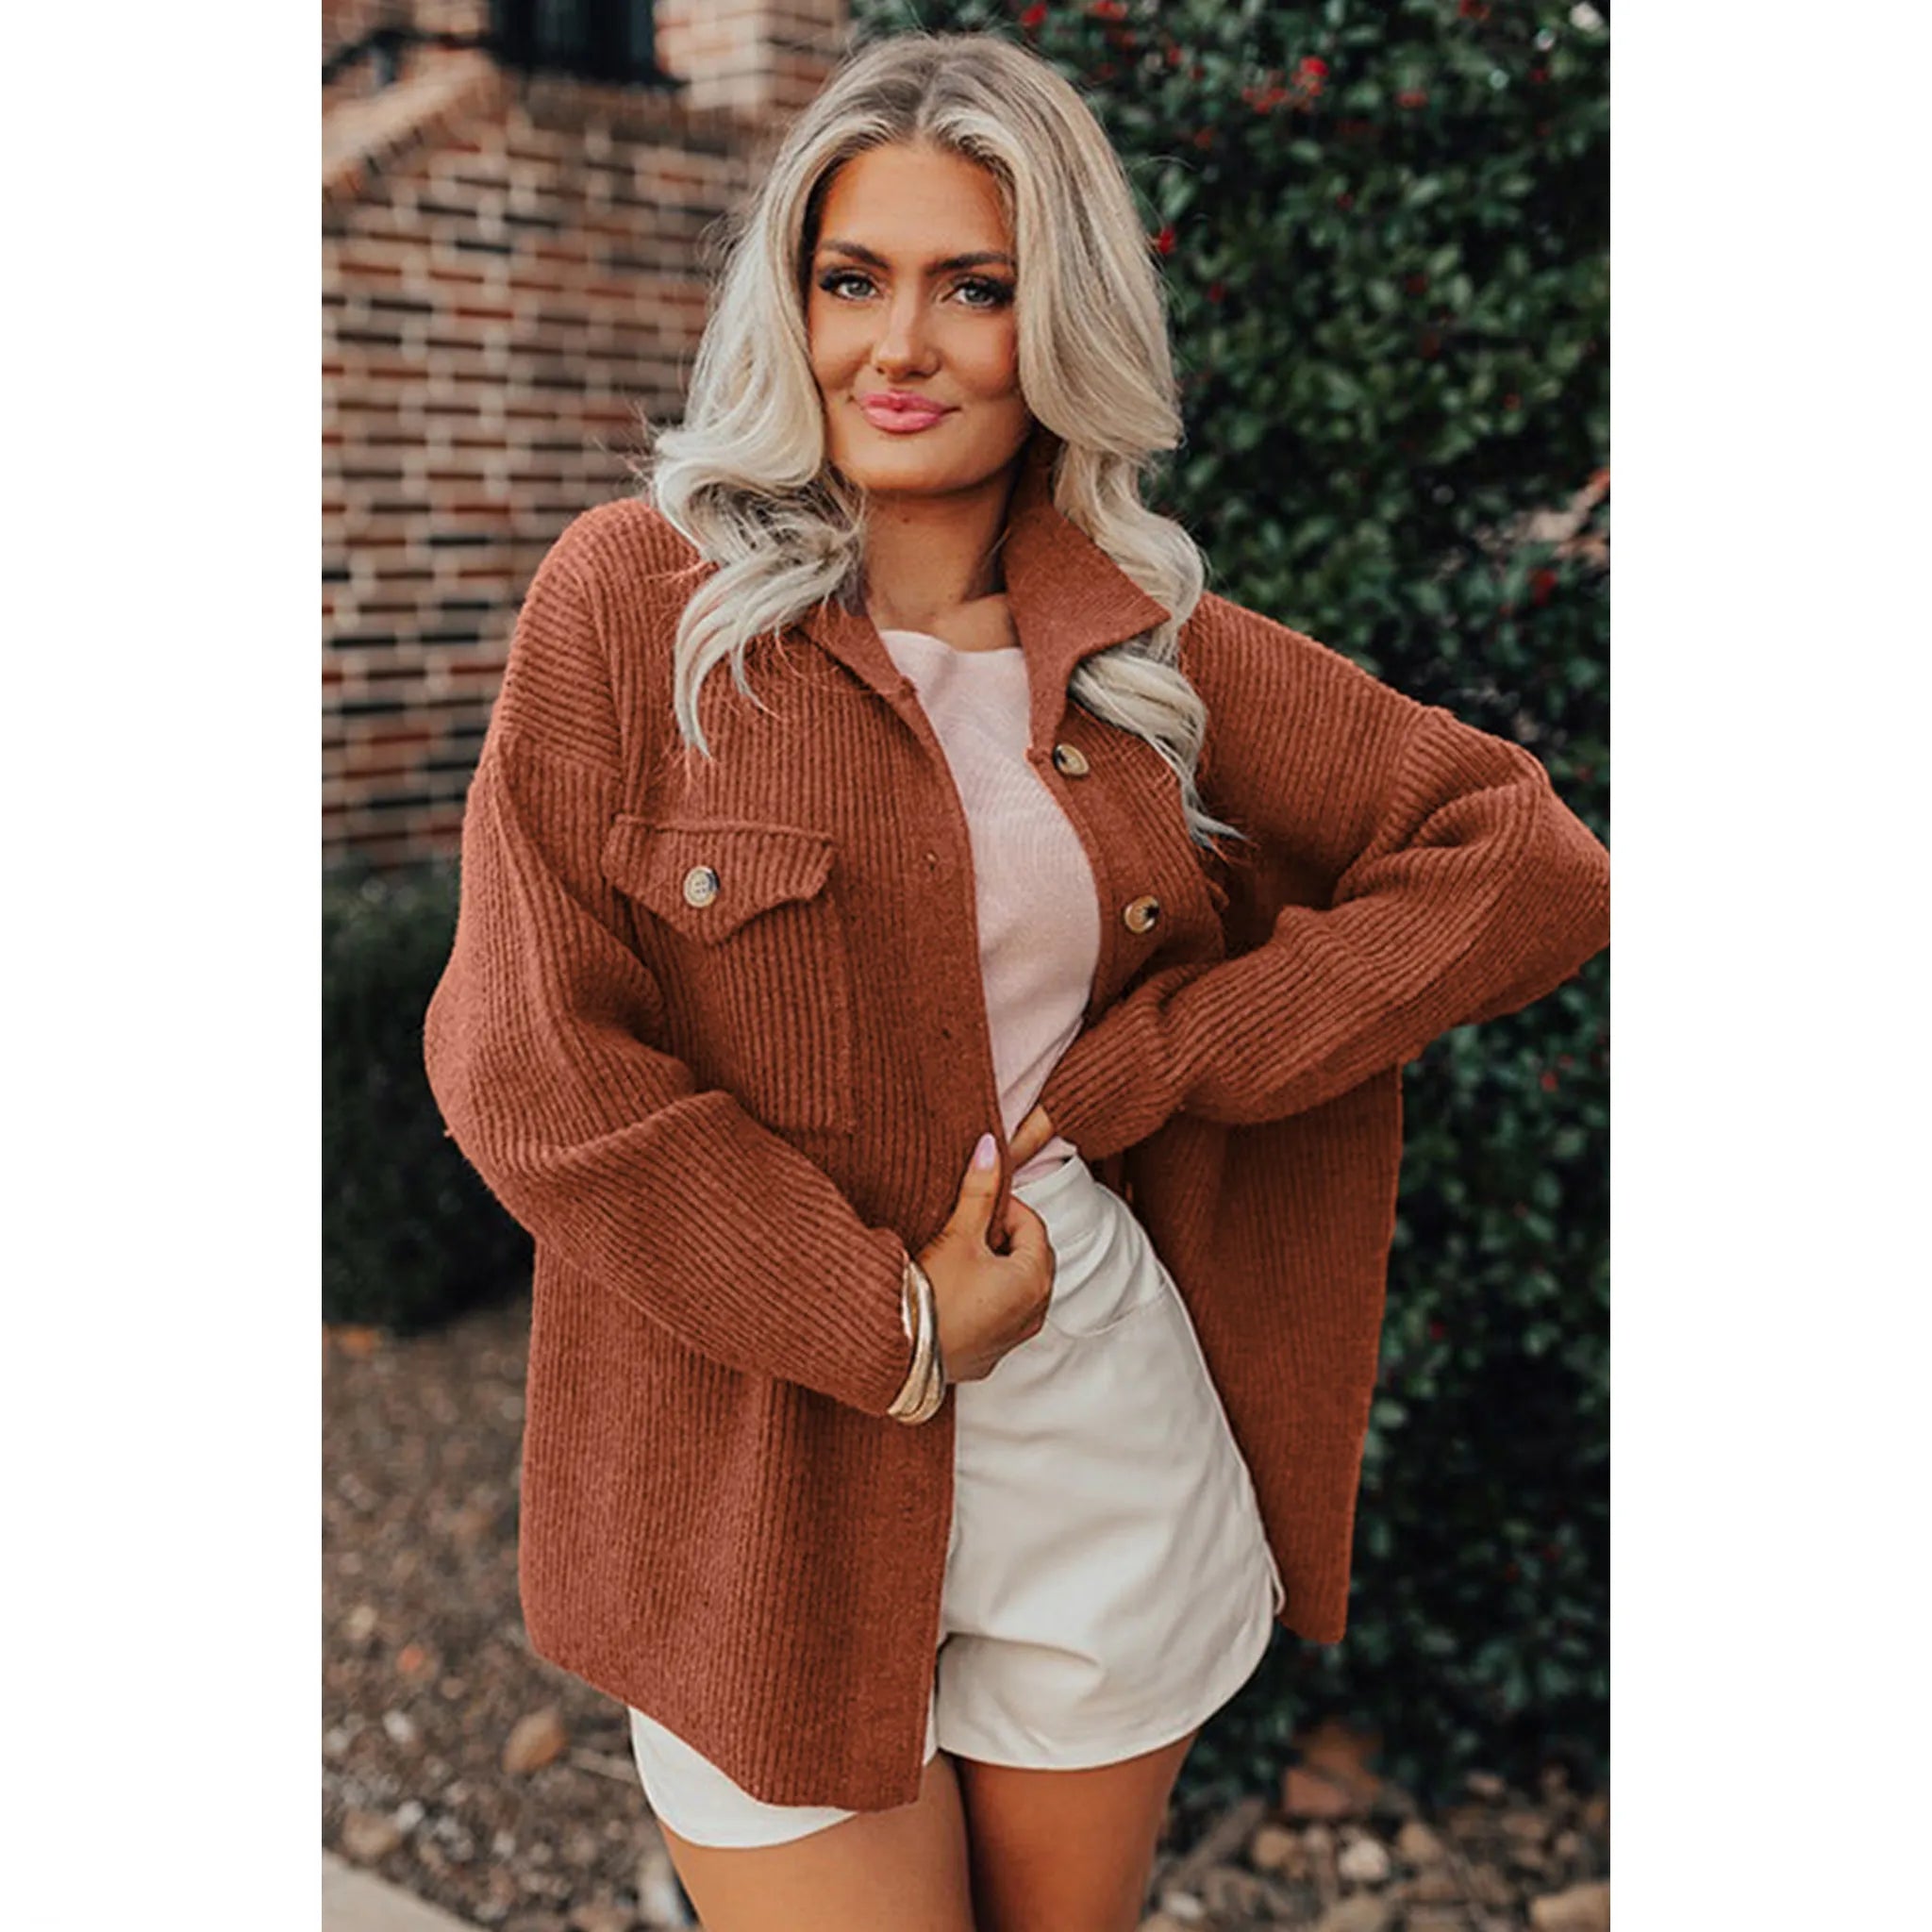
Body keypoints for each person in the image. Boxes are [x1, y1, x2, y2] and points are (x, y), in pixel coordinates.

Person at [422, 28, 1610, 1932]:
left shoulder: (1148, 645)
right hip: (766, 1479)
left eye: (973, 287)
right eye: (851, 279)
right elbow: (530, 1059)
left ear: (1053, 319)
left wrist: (1187, 1050)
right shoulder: (629, 606)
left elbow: (1523, 861)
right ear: (787, 306)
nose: (900, 345)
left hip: (1097, 1456)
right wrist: (881, 1316)